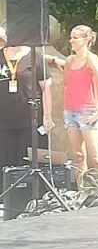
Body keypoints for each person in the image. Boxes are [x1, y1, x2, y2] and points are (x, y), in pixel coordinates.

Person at [50, 25, 98, 182]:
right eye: (71, 37)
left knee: (96, 158)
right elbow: (66, 82)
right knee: (77, 156)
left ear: (86, 40)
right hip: (70, 111)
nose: (71, 41)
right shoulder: (70, 60)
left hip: (88, 112)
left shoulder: (91, 59)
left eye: (75, 38)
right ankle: (81, 190)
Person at [0, 26, 53, 169]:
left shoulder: (36, 57)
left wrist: (47, 116)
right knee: (5, 160)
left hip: (28, 119)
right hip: (3, 119)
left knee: (27, 160)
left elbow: (46, 88)